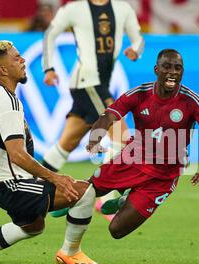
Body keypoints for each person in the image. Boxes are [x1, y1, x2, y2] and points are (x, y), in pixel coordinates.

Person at [0, 40, 101, 264]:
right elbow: (17, 155)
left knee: (33, 225)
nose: (23, 61)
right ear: (3, 70)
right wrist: (55, 178)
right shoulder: (8, 103)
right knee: (84, 192)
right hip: (11, 184)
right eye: (16, 58)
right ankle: (70, 252)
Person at [75, 48, 199, 242]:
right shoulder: (139, 94)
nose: (173, 71)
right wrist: (95, 138)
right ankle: (59, 216)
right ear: (156, 69)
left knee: (117, 230)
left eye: (178, 68)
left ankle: (125, 200)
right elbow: (110, 115)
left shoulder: (191, 101)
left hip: (163, 176)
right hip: (132, 160)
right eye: (167, 67)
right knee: (85, 192)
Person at [41, 0, 144, 211]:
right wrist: (48, 68)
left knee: (67, 143)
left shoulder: (122, 9)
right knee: (123, 138)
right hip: (87, 82)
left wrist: (135, 50)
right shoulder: (74, 9)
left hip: (98, 84)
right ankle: (104, 198)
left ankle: (37, 190)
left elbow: (138, 38)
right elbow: (50, 33)